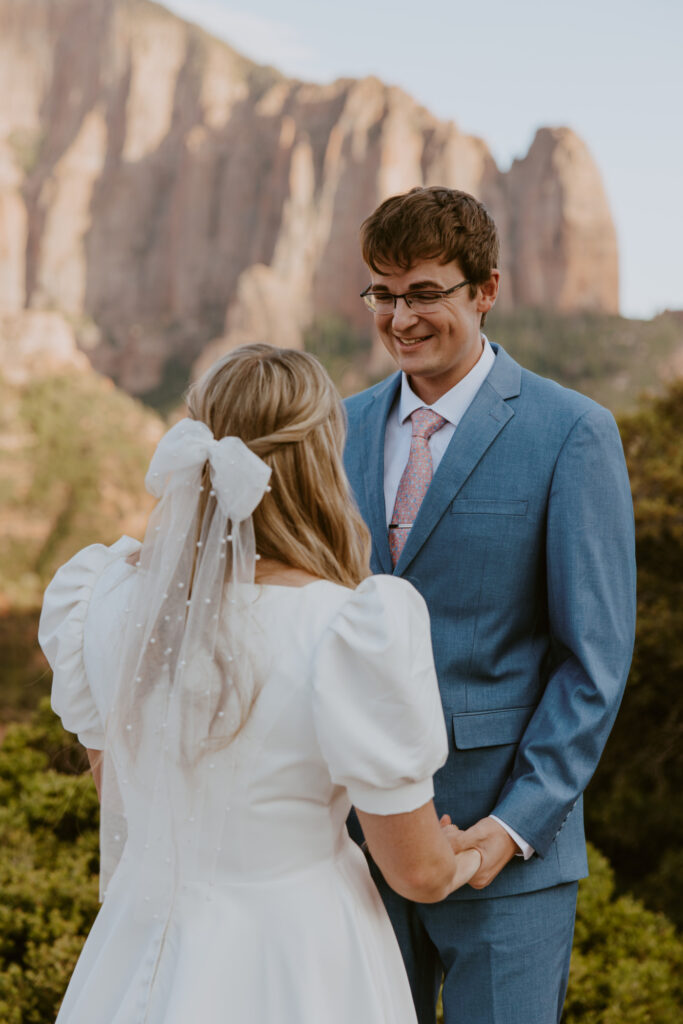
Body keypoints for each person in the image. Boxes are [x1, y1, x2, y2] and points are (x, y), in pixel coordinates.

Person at [38, 344, 481, 1024]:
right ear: (317, 461)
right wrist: (457, 857)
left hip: (136, 948)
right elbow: (414, 873)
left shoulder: (100, 597)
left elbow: (119, 788)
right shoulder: (349, 626)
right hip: (297, 956)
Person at [343, 186, 637, 1024]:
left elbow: (594, 661)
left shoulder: (570, 432)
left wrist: (510, 826)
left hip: (504, 858)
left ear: (485, 289)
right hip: (353, 847)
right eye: (383, 293)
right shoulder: (338, 428)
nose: (400, 318)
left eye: (425, 293)